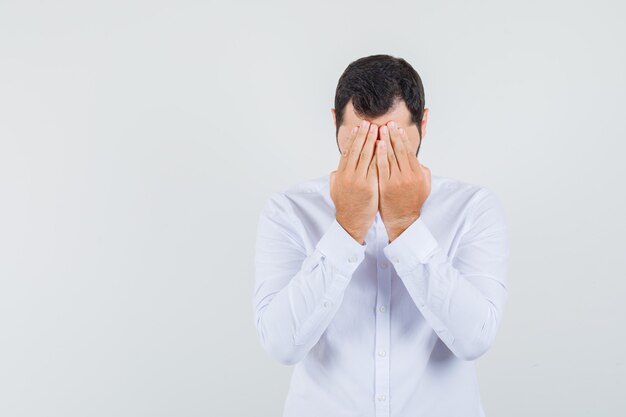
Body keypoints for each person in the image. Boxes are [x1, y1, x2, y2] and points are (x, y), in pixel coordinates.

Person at [252, 54, 510, 417]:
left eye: (392, 138)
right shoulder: (289, 210)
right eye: (359, 137)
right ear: (334, 122)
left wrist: (405, 225)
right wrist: (346, 228)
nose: (375, 153)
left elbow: (474, 338)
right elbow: (281, 345)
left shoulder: (472, 208)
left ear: (423, 123)